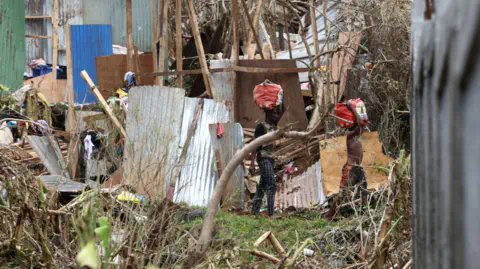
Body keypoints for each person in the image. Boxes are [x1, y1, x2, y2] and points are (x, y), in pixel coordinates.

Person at [325, 100, 368, 219]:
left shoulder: (358, 131)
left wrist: (351, 108)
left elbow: (361, 123)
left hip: (357, 166)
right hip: (350, 167)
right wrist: (350, 107)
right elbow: (360, 122)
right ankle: (330, 214)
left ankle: (365, 211)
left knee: (364, 188)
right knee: (342, 191)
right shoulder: (349, 132)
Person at [250, 102, 286, 217]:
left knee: (262, 186)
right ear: (267, 113)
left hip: (270, 159)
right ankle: (271, 213)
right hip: (263, 158)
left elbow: (283, 110)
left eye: (277, 112)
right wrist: (251, 162)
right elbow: (254, 145)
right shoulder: (261, 127)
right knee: (272, 185)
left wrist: (281, 94)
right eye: (274, 112)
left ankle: (255, 211)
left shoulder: (274, 126)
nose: (276, 114)